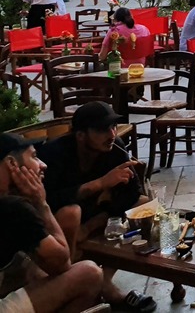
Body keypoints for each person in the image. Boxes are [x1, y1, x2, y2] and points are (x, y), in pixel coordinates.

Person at [37, 103, 156, 312]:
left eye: (113, 127)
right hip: (61, 221)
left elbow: (133, 194)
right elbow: (47, 200)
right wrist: (99, 184)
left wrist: (95, 222)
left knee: (145, 205)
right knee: (70, 213)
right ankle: (71, 283)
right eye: (102, 129)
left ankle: (105, 283)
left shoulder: (115, 147)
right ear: (81, 135)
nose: (111, 134)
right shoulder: (54, 154)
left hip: (95, 215)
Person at [0, 133, 104, 313]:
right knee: (89, 273)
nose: (43, 164)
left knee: (32, 267)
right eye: (34, 156)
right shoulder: (13, 207)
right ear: (12, 164)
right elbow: (62, 263)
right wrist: (41, 203)